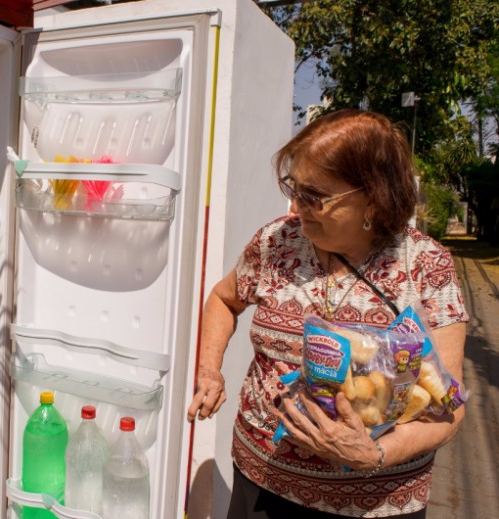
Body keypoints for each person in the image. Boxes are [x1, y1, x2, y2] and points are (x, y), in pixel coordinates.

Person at [187, 109, 468, 518]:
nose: (297, 208)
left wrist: (373, 453)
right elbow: (225, 299)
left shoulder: (426, 265)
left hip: (375, 500)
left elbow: (450, 407)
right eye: (294, 188)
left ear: (372, 196)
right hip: (263, 478)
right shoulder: (276, 242)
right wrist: (210, 369)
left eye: (314, 196)